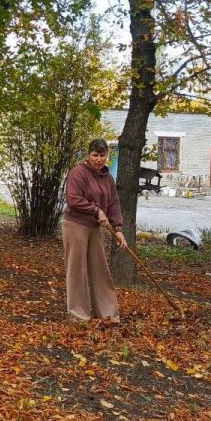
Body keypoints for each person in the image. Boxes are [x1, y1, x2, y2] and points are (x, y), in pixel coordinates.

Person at [62, 138, 128, 322]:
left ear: (107, 156)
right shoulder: (78, 173)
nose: (99, 159)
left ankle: (108, 313)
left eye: (102, 155)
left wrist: (119, 229)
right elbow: (73, 200)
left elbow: (114, 203)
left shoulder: (107, 177)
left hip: (94, 227)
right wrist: (96, 210)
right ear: (88, 155)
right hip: (75, 225)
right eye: (95, 155)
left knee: (100, 268)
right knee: (77, 269)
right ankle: (79, 315)